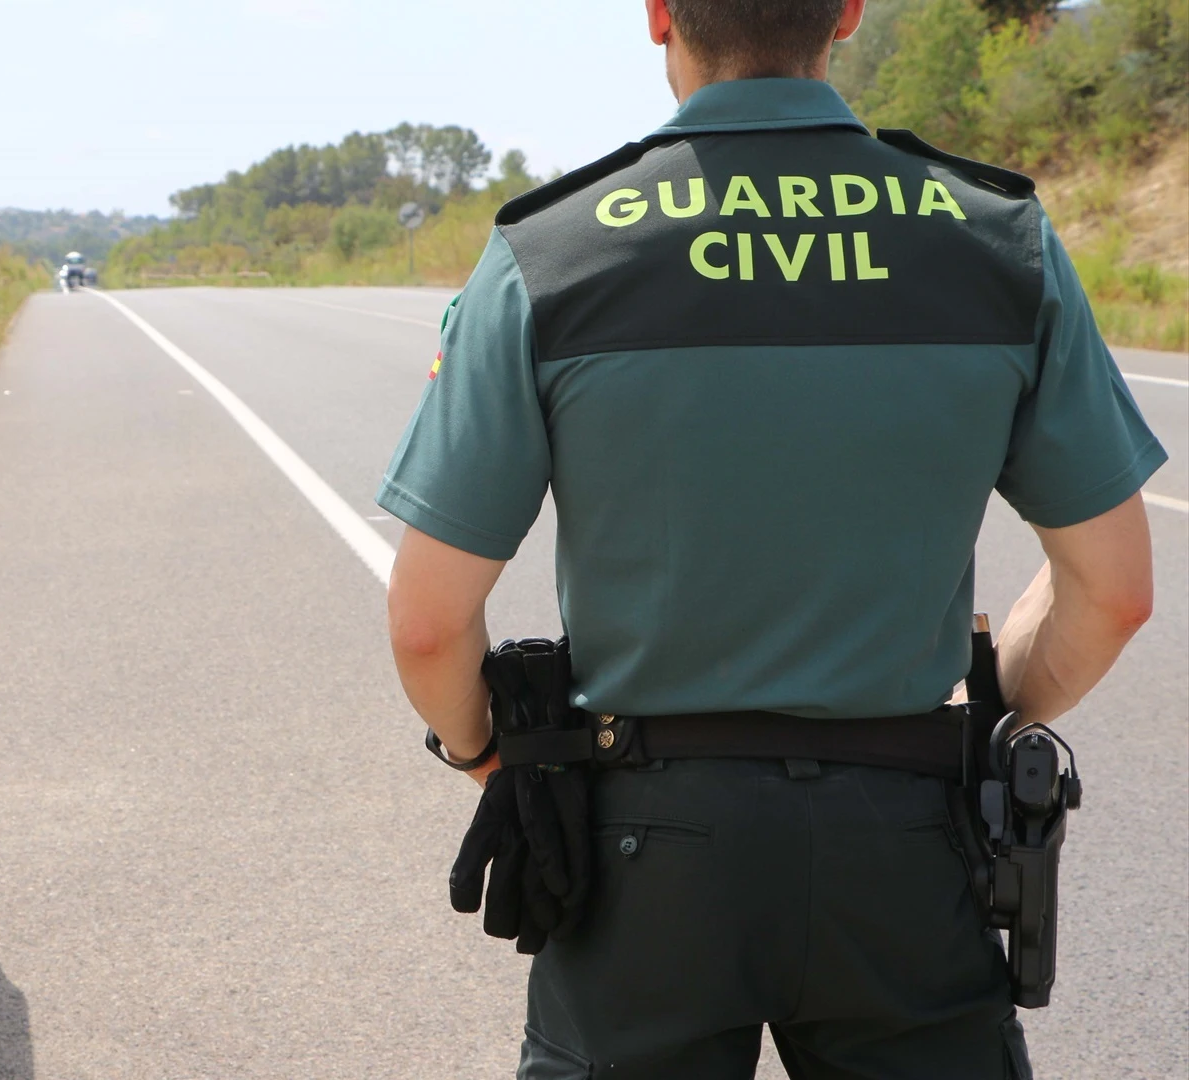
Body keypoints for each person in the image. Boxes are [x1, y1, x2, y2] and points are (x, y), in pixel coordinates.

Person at [376, 1, 1163, 1076]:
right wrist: (992, 716)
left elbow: (427, 623)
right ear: (846, 11)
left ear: (657, 14)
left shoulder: (549, 253)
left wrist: (496, 762)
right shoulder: (997, 240)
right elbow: (1113, 592)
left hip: (641, 854)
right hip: (904, 847)